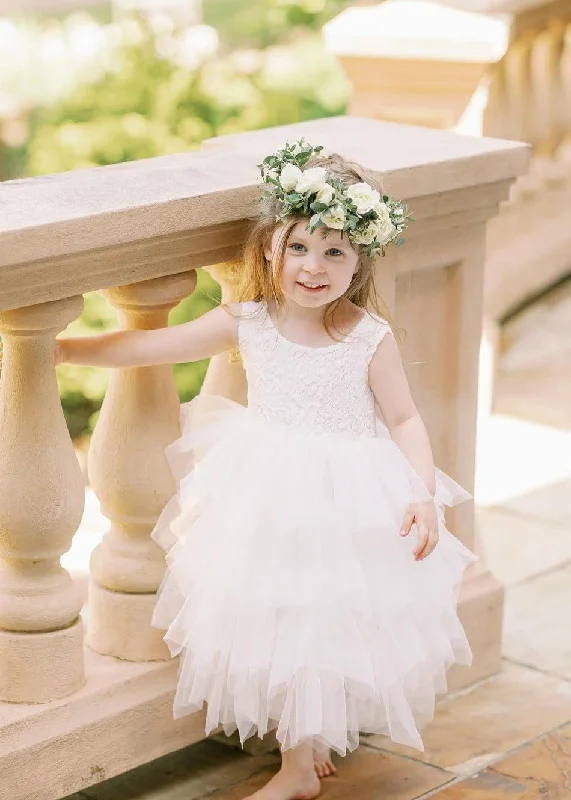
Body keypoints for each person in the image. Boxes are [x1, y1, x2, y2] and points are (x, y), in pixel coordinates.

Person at [57, 139, 477, 800]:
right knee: (275, 614)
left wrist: (422, 495)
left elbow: (403, 419)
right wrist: (54, 348)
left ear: (358, 261)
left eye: (334, 251)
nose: (314, 267)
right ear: (268, 252)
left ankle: (300, 759)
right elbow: (146, 345)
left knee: (327, 618)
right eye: (299, 248)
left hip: (348, 497)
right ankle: (300, 753)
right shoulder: (248, 321)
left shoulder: (368, 336)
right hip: (267, 492)